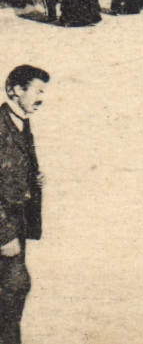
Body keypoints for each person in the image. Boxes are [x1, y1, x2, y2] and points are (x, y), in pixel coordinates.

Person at [0, 65, 48, 344]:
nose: (41, 99)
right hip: (5, 229)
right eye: (37, 91)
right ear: (17, 90)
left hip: (17, 223)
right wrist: (4, 235)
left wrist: (33, 179)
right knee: (14, 289)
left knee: (12, 295)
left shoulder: (21, 122)